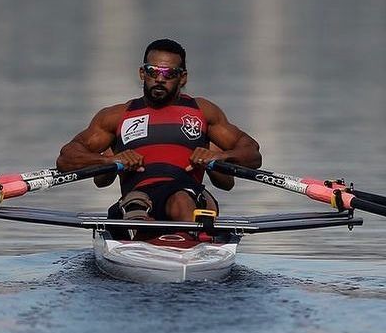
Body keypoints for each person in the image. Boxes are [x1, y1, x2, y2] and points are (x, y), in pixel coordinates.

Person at [56, 38, 261, 225]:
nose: (160, 79)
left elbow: (252, 153)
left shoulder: (203, 112)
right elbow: (66, 159)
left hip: (186, 194)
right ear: (142, 73)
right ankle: (145, 233)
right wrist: (109, 161)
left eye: (169, 74)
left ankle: (190, 242)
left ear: (182, 78)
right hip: (138, 198)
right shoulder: (115, 117)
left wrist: (220, 157)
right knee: (137, 204)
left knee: (180, 200)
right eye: (153, 72)